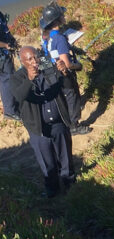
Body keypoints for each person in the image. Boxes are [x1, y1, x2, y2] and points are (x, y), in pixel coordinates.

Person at [11, 46, 75, 198]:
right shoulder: (17, 77)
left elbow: (68, 86)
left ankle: (71, 186)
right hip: (38, 127)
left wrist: (65, 73)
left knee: (65, 157)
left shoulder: (48, 66)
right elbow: (19, 96)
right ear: (22, 62)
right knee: (47, 163)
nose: (34, 61)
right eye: (29, 59)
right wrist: (29, 80)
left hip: (58, 122)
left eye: (36, 56)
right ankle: (52, 190)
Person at [40, 2, 91, 136]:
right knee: (72, 98)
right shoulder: (60, 38)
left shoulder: (47, 36)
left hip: (53, 74)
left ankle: (69, 123)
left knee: (65, 99)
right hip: (64, 74)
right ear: (56, 20)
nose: (64, 16)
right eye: (61, 15)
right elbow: (67, 64)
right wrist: (78, 65)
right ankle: (74, 126)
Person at [0, 10, 20, 121]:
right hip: (2, 56)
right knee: (7, 81)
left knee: (7, 80)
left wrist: (12, 39)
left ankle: (12, 107)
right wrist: (6, 45)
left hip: (4, 54)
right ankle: (10, 111)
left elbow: (5, 29)